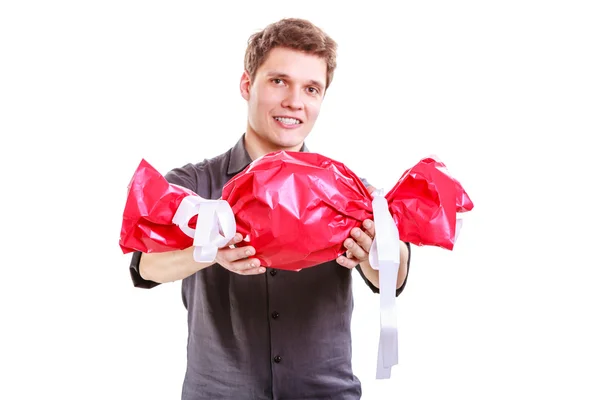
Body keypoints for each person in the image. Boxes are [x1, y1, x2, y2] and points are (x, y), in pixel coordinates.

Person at [129, 17, 410, 400]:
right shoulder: (195, 184)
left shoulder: (349, 189)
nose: (295, 101)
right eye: (279, 81)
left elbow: (392, 277)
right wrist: (208, 249)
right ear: (247, 85)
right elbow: (146, 264)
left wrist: (373, 253)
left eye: (311, 88)